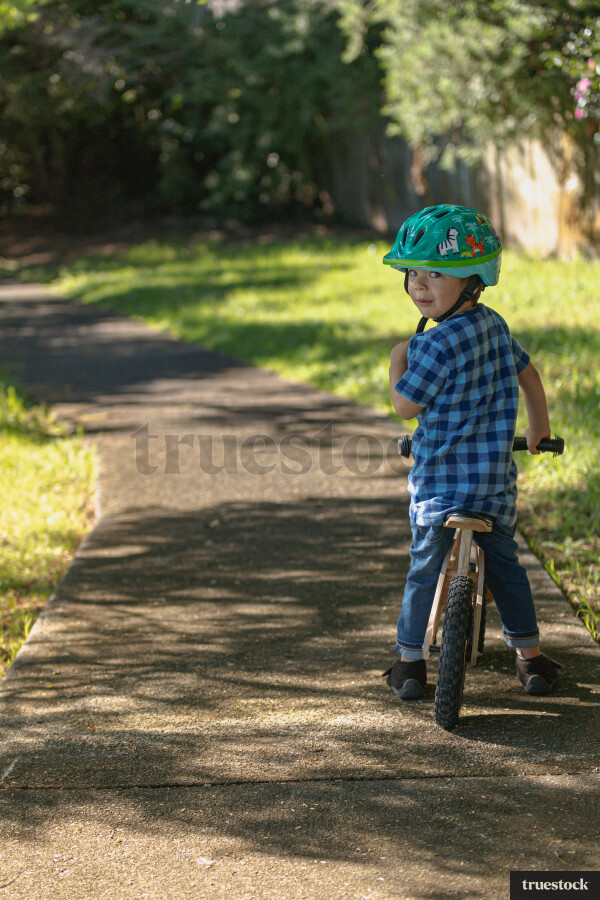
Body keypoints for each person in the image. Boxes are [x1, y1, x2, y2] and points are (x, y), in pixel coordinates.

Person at [382, 204, 561, 700]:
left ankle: (410, 663)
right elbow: (530, 376)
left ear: (471, 280)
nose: (419, 285)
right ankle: (530, 659)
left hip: (439, 489)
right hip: (492, 488)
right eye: (413, 273)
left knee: (423, 569)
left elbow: (404, 406)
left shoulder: (431, 347)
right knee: (507, 568)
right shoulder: (497, 327)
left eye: (435, 273)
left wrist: (398, 359)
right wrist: (538, 428)